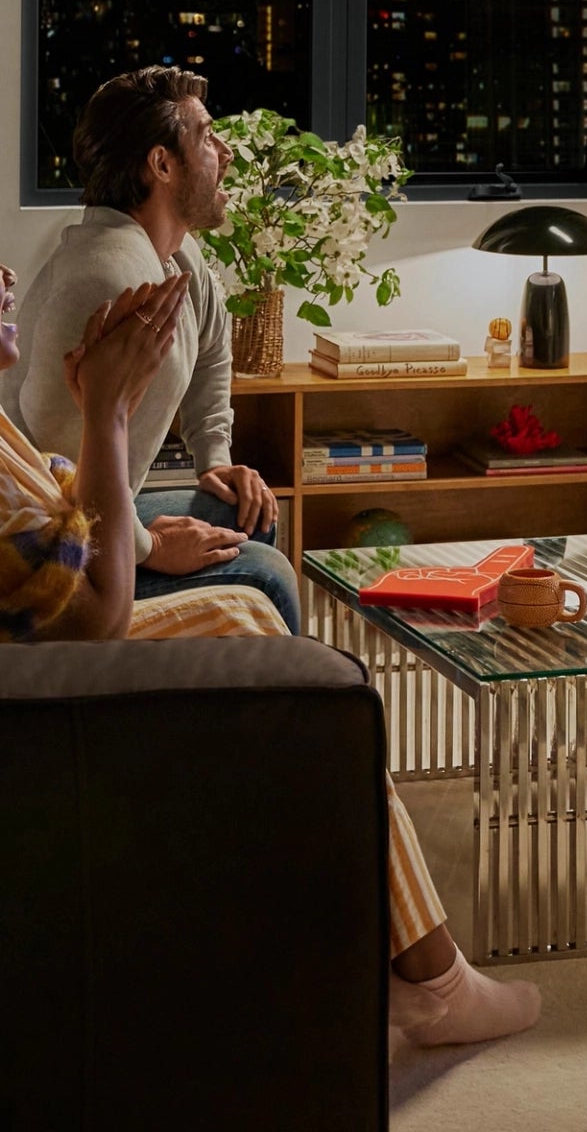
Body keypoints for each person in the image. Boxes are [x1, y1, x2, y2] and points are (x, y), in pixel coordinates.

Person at [0, 262, 540, 1049]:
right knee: (257, 635)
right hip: (40, 688)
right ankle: (430, 977)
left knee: (245, 605)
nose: (9, 274)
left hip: (39, 648)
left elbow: (59, 526)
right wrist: (107, 419)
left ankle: (355, 947)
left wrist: (104, 419)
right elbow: (91, 621)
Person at [6, 68, 297, 629]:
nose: (226, 151)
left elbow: (213, 344)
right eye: (207, 137)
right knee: (266, 573)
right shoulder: (107, 284)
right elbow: (55, 466)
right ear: (162, 164)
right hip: (50, 535)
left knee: (248, 515)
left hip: (98, 508)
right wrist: (146, 547)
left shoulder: (175, 258)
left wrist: (214, 457)